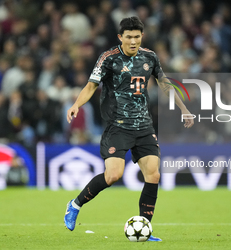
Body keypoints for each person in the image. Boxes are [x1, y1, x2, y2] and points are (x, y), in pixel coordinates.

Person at [64, 16, 194, 241]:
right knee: (113, 175)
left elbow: (164, 84)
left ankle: (145, 227)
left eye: (137, 36)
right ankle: (75, 204)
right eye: (129, 37)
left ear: (141, 36)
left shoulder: (150, 57)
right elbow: (91, 85)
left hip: (143, 126)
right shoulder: (108, 58)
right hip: (118, 126)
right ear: (120, 37)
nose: (133, 41)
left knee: (153, 174)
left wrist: (183, 108)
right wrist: (77, 104)